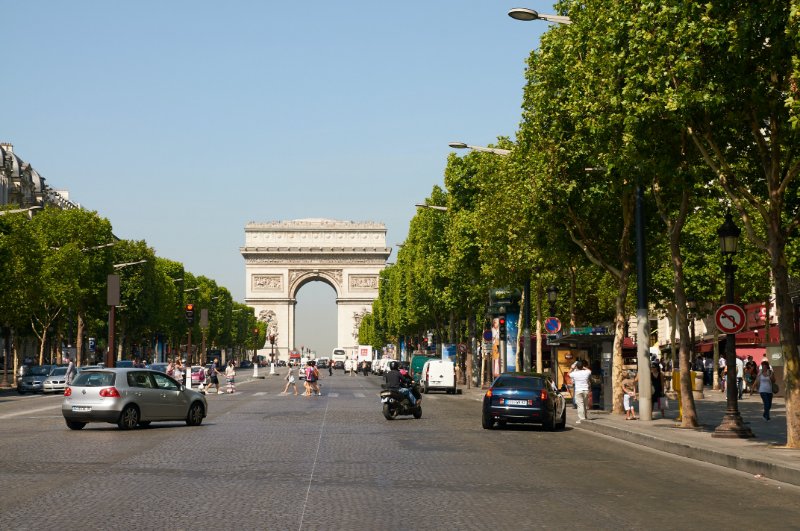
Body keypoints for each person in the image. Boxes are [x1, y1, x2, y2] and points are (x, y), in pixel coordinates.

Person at [568, 360, 592, 424]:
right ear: (582, 366)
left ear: (577, 367)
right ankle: (585, 417)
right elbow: (590, 371)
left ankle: (582, 419)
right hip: (586, 390)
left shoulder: (574, 373)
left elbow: (568, 373)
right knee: (585, 404)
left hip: (578, 390)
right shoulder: (586, 372)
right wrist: (583, 367)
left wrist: (572, 368)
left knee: (580, 405)